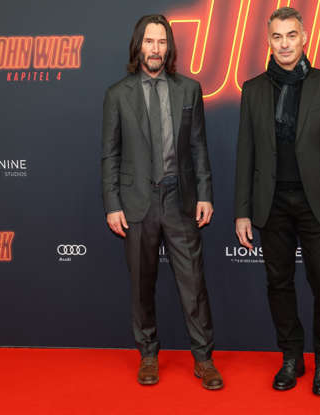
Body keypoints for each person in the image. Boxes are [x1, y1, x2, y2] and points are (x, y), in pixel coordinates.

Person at [234, 7, 320, 396]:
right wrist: (242, 212)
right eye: (277, 36)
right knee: (278, 283)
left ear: (304, 37)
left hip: (316, 203)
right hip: (271, 203)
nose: (285, 44)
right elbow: (246, 154)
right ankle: (291, 357)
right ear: (268, 41)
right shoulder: (253, 89)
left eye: (291, 35)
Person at [101, 14, 222, 390]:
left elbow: (199, 146)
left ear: (169, 47)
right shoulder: (117, 94)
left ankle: (204, 359)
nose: (155, 49)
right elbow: (110, 154)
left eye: (162, 42)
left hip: (179, 199)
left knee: (193, 282)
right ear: (138, 46)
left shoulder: (189, 90)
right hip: (137, 202)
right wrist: (112, 203)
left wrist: (205, 194)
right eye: (149, 41)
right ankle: (148, 355)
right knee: (142, 284)